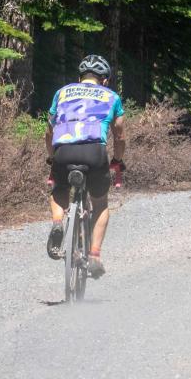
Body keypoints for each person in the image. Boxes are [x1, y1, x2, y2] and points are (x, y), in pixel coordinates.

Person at [46, 54, 125, 278]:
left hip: (64, 151)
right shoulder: (111, 96)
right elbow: (119, 136)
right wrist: (117, 161)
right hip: (94, 152)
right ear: (105, 80)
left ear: (80, 77)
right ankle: (95, 256)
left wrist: (52, 158)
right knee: (100, 203)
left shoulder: (61, 92)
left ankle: (58, 222)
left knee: (58, 190)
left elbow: (49, 130)